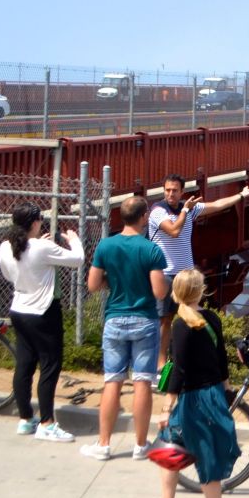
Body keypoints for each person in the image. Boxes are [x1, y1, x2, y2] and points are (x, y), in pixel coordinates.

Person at [140, 269, 240, 498]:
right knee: (169, 447)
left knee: (204, 457)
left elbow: (179, 369)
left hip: (194, 400)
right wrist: (228, 389)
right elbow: (221, 359)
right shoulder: (211, 318)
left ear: (176, 293)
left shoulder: (181, 325)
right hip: (212, 394)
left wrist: (167, 405)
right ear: (200, 291)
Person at [80, 196, 168, 461]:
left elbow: (93, 285)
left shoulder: (106, 245)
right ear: (143, 218)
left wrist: (114, 281)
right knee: (143, 381)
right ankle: (141, 445)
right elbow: (159, 292)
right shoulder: (151, 249)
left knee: (112, 381)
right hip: (144, 319)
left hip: (115, 318)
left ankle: (104, 443)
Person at [0, 202, 85, 442]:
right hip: (44, 312)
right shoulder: (42, 246)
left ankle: (26, 419)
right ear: (35, 223)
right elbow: (78, 259)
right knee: (49, 365)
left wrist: (43, 247)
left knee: (24, 364)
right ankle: (47, 422)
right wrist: (74, 239)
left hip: (19, 309)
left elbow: (10, 273)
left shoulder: (6, 246)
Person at [148, 175, 249, 360]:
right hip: (165, 274)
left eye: (175, 190)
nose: (170, 194)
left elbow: (216, 205)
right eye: (167, 190)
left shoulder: (189, 209)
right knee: (164, 320)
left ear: (182, 191)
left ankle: (185, 361)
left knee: (190, 317)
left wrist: (241, 195)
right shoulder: (158, 211)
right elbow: (174, 231)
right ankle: (160, 365)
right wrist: (185, 210)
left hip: (187, 275)